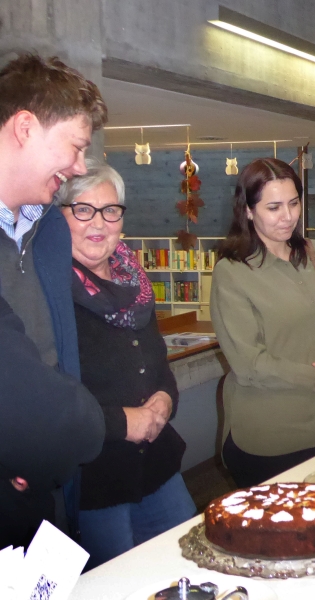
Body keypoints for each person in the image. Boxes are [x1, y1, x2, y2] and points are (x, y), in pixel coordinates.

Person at [57, 160, 195, 569]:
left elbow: (157, 366)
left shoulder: (134, 284)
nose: (98, 222)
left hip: (158, 468)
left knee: (185, 571)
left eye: (111, 210)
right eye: (83, 209)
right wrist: (122, 423)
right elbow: (49, 400)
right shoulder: (49, 295)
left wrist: (166, 400)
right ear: (58, 216)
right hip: (95, 479)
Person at [0, 54, 106, 547]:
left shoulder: (48, 235)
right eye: (75, 146)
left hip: (52, 490)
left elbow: (62, 359)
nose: (80, 167)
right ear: (25, 127)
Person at [211, 158, 315, 488]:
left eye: (294, 203)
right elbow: (250, 364)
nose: (288, 216)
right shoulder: (233, 272)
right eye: (274, 207)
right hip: (273, 439)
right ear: (249, 211)